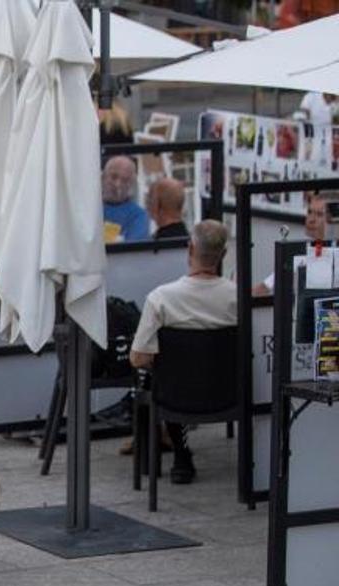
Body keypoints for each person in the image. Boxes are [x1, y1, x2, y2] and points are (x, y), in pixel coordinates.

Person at [130, 220, 237, 484]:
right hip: (228, 394)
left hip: (174, 396)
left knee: (153, 377)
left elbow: (138, 358)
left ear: (189, 249)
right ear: (223, 255)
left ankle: (179, 455)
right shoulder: (238, 297)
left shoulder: (161, 298)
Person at [254, 194, 330, 296]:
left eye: (319, 214)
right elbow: (265, 287)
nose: (311, 220)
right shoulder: (306, 251)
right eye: (309, 212)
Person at [102, 155, 150, 242]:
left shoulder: (138, 215)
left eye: (125, 180)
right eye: (113, 177)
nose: (117, 184)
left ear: (131, 184)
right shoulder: (90, 209)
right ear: (104, 176)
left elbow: (133, 250)